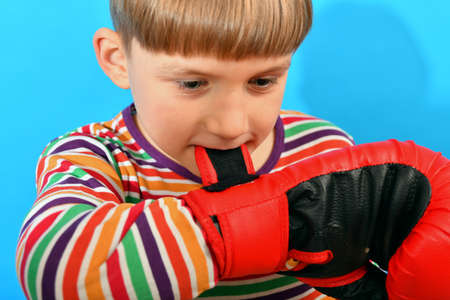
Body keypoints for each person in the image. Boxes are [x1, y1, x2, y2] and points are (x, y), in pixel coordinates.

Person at [16, 1, 356, 299]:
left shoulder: (324, 149)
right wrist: (250, 227)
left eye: (262, 81)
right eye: (193, 83)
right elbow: (52, 270)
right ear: (118, 60)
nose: (232, 126)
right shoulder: (98, 156)